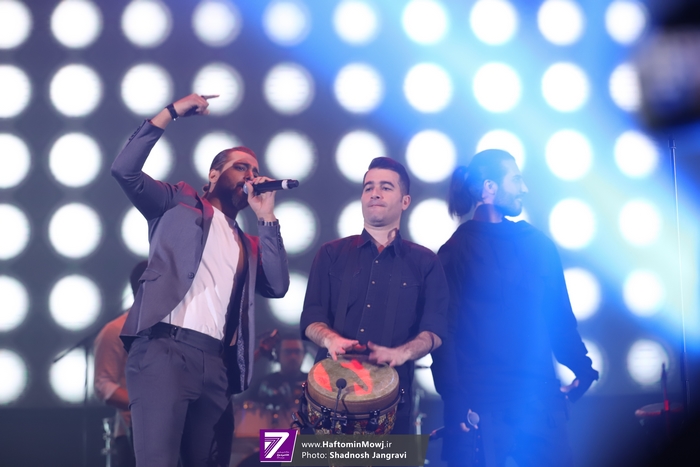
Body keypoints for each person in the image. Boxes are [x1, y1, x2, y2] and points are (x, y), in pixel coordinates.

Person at [111, 93, 290, 467]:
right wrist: (171, 112)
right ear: (214, 174)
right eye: (242, 168)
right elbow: (124, 169)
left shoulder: (247, 243)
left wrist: (266, 218)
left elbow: (277, 285)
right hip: (164, 349)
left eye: (255, 171)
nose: (251, 177)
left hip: (216, 364)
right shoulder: (178, 202)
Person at [431, 149, 599, 467]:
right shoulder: (455, 252)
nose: (524, 188)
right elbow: (444, 334)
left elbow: (559, 318)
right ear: (489, 188)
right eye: (516, 179)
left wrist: (582, 368)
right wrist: (456, 401)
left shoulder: (535, 243)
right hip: (486, 407)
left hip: (534, 399)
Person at [300, 157, 448, 435]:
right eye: (368, 187)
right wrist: (330, 338)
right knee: (283, 454)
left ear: (405, 201)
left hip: (392, 405)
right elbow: (311, 317)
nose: (375, 193)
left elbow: (436, 330)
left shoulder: (426, 261)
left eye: (385, 187)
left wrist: (401, 353)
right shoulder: (331, 253)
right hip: (327, 402)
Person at [93, 260, 148, 467]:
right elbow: (103, 384)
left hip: (175, 429)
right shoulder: (116, 330)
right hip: (132, 433)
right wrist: (144, 405)